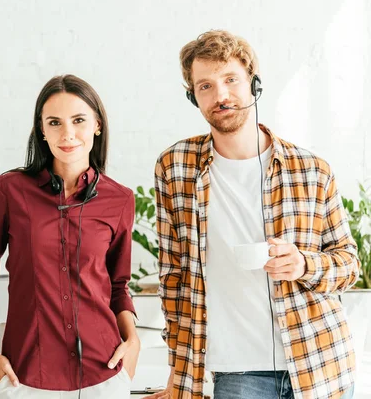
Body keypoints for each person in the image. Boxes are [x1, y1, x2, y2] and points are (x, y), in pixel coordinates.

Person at [146, 30, 359, 399]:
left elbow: (349, 266)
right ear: (192, 96)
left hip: (319, 361)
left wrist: (303, 265)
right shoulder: (175, 166)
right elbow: (174, 279)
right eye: (205, 86)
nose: (221, 95)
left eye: (231, 80)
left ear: (253, 84)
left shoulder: (312, 170)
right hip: (237, 370)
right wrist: (177, 376)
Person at [0, 74, 140, 398]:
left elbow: (119, 285)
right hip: (24, 378)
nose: (68, 134)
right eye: (55, 122)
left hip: (104, 375)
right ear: (42, 131)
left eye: (78, 120)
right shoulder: (10, 191)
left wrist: (134, 342)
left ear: (97, 125)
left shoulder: (120, 199)